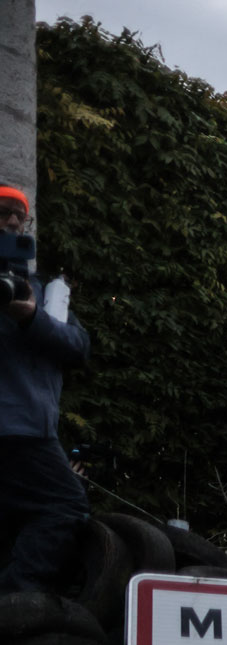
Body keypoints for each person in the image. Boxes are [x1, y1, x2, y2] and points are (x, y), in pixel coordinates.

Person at [1, 184, 91, 593]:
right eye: (3, 212)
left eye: (21, 215)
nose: (15, 222)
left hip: (34, 430)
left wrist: (32, 317)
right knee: (65, 505)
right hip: (14, 429)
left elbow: (78, 346)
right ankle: (19, 609)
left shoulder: (36, 291)